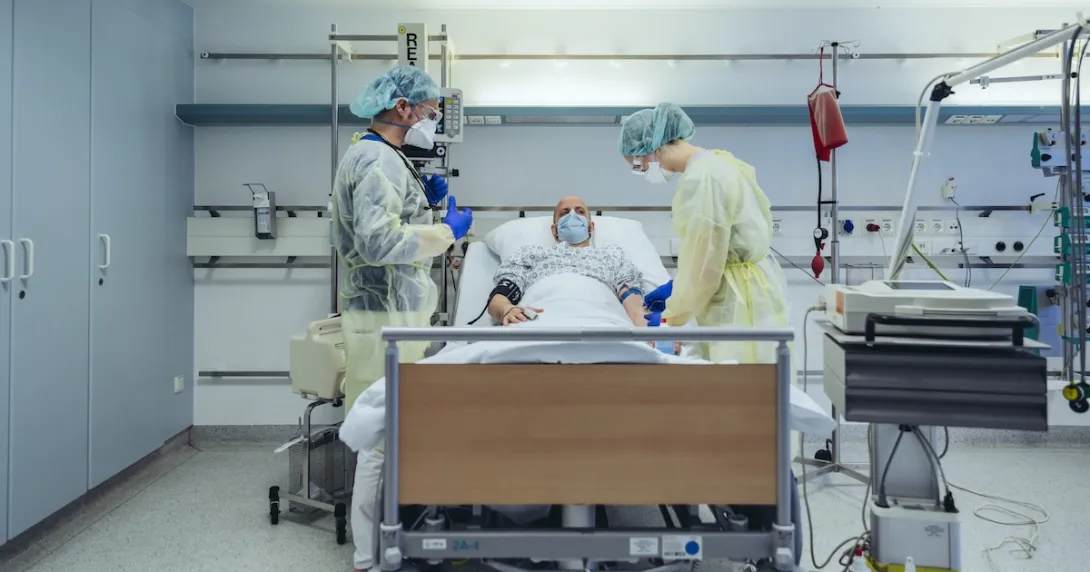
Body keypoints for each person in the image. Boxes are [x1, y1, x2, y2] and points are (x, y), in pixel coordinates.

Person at [333, 65, 473, 572]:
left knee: (389, 430)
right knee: (377, 436)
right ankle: (368, 557)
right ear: (403, 108)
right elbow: (378, 241)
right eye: (432, 113)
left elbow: (388, 224)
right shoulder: (376, 160)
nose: (432, 122)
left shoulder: (384, 157)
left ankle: (391, 530)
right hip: (382, 314)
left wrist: (425, 206)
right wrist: (447, 232)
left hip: (392, 310)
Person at [618, 103, 791, 364]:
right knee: (764, 384)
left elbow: (705, 264)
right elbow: (716, 248)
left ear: (651, 149)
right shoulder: (721, 161)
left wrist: (671, 314)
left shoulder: (702, 178)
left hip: (736, 302)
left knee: (740, 387)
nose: (643, 173)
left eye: (639, 166)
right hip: (756, 288)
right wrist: (676, 286)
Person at [485, 196, 648, 328]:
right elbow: (499, 298)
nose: (572, 215)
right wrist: (506, 310)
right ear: (554, 229)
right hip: (537, 322)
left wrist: (646, 331)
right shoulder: (531, 255)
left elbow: (632, 303)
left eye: (580, 212)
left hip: (601, 320)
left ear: (591, 227)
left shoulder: (612, 255)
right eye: (564, 213)